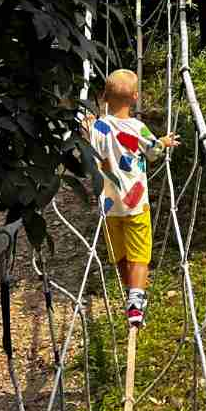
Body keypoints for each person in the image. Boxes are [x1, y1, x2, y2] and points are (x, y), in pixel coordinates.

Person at [84, 68, 178, 327]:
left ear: (104, 97)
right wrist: (165, 141)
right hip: (136, 206)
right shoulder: (138, 128)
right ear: (135, 97)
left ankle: (131, 294)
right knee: (140, 256)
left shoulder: (97, 128)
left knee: (121, 255)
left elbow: (87, 142)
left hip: (109, 207)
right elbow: (154, 152)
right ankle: (136, 303)